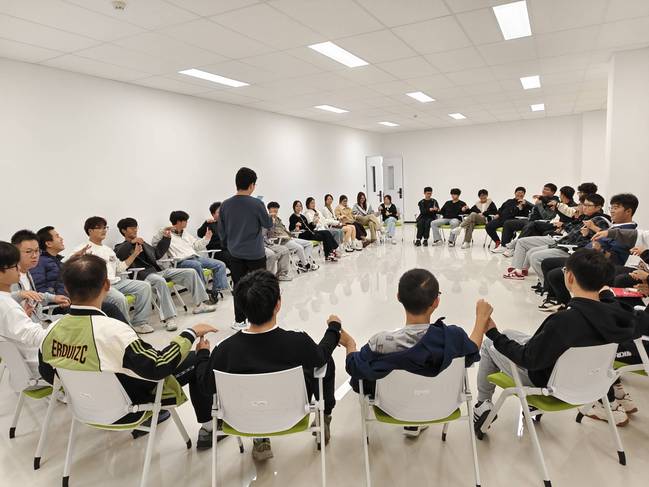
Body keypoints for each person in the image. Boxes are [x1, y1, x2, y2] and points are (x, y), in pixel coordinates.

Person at [37, 254, 218, 448]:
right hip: (127, 409)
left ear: (66, 288)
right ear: (107, 285)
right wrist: (190, 333)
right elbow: (159, 366)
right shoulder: (114, 331)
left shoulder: (50, 331)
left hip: (84, 408)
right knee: (199, 358)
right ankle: (209, 429)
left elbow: (48, 374)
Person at [196, 270, 356, 459]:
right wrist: (333, 328)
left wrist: (203, 355)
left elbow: (206, 386)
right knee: (324, 362)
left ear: (241, 307)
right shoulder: (297, 342)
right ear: (278, 304)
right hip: (293, 415)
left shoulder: (224, 350)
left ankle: (260, 438)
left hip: (244, 420)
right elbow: (321, 356)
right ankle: (324, 414)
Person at [474, 249, 637, 434]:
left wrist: (493, 333)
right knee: (510, 333)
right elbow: (609, 303)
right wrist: (606, 294)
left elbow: (528, 359)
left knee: (489, 344)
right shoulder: (618, 314)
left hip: (550, 384)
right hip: (594, 383)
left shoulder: (564, 321)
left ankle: (482, 404)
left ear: (570, 277)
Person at [345, 268, 484, 437]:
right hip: (442, 404)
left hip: (392, 408)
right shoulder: (453, 338)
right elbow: (472, 352)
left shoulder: (380, 343)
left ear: (398, 297)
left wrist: (350, 344)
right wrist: (481, 318)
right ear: (436, 302)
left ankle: (412, 417)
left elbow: (354, 367)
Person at [115, 218, 217, 331]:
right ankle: (169, 318)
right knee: (160, 281)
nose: (135, 230)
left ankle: (200, 305)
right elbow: (119, 254)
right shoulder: (120, 246)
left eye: (136, 227)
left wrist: (166, 238)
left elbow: (157, 254)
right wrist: (130, 243)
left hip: (157, 271)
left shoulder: (141, 242)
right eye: (132, 228)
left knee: (190, 272)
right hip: (142, 275)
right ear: (123, 230)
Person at [69, 217, 154, 334]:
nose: (104, 230)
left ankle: (139, 323)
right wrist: (76, 257)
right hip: (100, 286)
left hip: (116, 282)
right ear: (90, 231)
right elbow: (67, 265)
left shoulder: (108, 250)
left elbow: (120, 268)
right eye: (99, 228)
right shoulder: (82, 248)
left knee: (144, 286)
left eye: (105, 227)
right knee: (119, 299)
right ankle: (125, 330)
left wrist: (134, 254)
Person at [502, 194, 611, 281]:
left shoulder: (600, 220)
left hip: (570, 247)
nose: (583, 207)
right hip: (563, 241)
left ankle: (547, 286)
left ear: (598, 207)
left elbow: (603, 238)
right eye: (583, 204)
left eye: (587, 205)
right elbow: (574, 229)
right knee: (530, 242)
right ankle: (532, 275)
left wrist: (590, 229)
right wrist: (564, 226)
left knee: (533, 251)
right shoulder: (585, 217)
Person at [31, 226, 128, 323]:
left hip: (72, 301)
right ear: (48, 243)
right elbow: (38, 289)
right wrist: (55, 299)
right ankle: (126, 331)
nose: (61, 239)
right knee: (110, 308)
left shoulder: (58, 260)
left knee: (108, 306)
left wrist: (74, 260)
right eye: (57, 236)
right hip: (57, 307)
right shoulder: (40, 262)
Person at [218, 167, 273, 329]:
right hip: (255, 253)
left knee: (239, 286)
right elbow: (267, 224)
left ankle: (240, 320)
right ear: (251, 185)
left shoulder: (225, 205)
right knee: (260, 286)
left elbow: (222, 232)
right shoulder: (257, 204)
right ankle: (261, 320)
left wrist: (228, 246)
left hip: (235, 253)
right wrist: (270, 215)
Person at [153, 211, 228, 306]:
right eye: (186, 221)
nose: (187, 223)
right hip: (181, 262)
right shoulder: (166, 234)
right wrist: (163, 230)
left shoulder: (185, 234)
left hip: (195, 257)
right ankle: (203, 293)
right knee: (196, 265)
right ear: (179, 222)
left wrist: (206, 238)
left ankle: (215, 291)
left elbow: (196, 246)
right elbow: (154, 243)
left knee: (220, 264)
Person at [0, 241, 49, 378]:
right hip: (38, 364)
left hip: (21, 364)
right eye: (14, 265)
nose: (19, 268)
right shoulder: (8, 306)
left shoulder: (6, 302)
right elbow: (36, 336)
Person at [10, 230, 70, 323]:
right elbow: (4, 300)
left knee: (76, 318)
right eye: (28, 251)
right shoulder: (9, 275)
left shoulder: (27, 273)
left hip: (40, 319)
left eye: (37, 251)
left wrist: (53, 298)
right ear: (15, 253)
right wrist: (19, 295)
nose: (34, 255)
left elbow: (33, 296)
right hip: (28, 324)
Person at [492, 183, 557, 252]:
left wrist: (539, 204)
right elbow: (535, 208)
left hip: (538, 222)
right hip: (529, 220)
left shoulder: (553, 202)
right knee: (508, 223)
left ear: (553, 192)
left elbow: (547, 217)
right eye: (544, 189)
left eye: (547, 190)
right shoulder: (542, 199)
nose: (544, 191)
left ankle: (515, 248)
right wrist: (527, 203)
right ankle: (504, 246)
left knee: (528, 225)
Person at [266, 201, 320, 272]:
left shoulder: (278, 219)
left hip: (289, 238)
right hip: (281, 241)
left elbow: (285, 230)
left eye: (276, 209)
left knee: (309, 244)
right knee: (299, 247)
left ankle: (302, 263)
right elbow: (269, 234)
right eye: (273, 208)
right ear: (269, 209)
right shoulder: (266, 220)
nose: (275, 210)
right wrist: (272, 222)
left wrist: (294, 231)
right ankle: (306, 265)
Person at [487, 186, 532, 251]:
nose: (520, 194)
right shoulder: (509, 201)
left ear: (524, 194)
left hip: (512, 220)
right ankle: (497, 241)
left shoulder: (524, 203)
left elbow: (525, 215)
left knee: (508, 224)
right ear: (515, 193)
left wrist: (520, 208)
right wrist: (498, 214)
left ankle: (505, 245)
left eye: (522, 193)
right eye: (518, 192)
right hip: (501, 218)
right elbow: (501, 209)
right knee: (488, 226)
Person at [197, 202, 232, 270]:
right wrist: (206, 223)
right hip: (217, 252)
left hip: (229, 250)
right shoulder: (210, 224)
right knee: (234, 259)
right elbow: (200, 234)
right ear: (213, 214)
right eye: (219, 212)